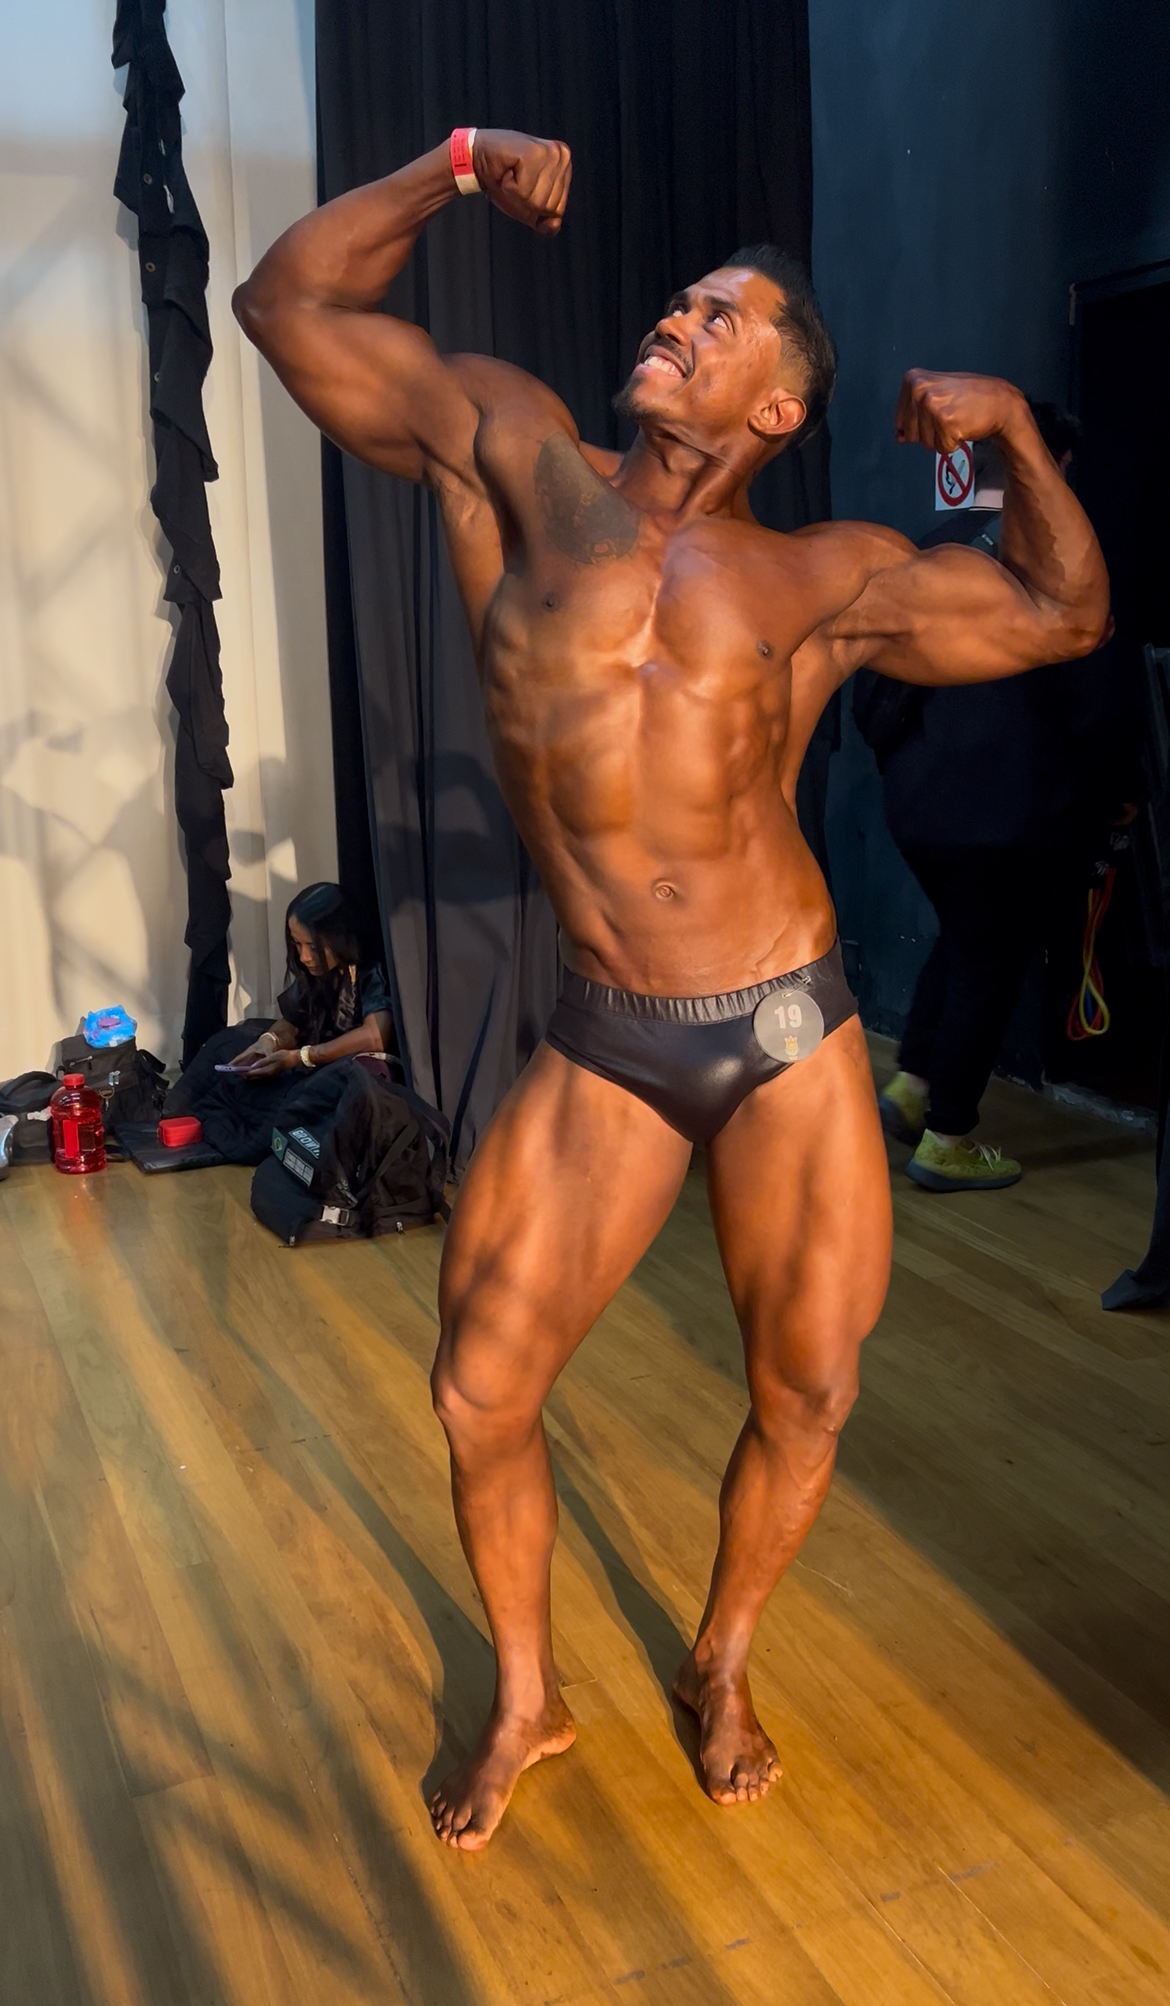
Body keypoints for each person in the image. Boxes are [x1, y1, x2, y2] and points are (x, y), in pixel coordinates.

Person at [233, 127, 1108, 1850]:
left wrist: (1011, 430)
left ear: (780, 403)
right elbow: (285, 306)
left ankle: (721, 1655)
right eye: (678, 303)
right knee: (481, 1388)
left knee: (810, 1391)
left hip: (785, 1025)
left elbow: (1065, 612)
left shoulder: (825, 575)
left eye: (722, 318)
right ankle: (528, 1695)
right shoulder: (513, 454)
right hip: (611, 1033)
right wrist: (452, 166)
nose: (677, 320)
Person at [875, 405, 1126, 1191]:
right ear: (1054, 465)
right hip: (1005, 817)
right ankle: (947, 1138)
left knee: (966, 938)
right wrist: (1117, 794)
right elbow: (1093, 708)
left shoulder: (927, 551)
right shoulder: (1062, 567)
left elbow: (874, 698)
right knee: (990, 964)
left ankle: (913, 1083)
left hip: (919, 807)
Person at [165, 881, 394, 1160]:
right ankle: (179, 1115)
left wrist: (300, 1057)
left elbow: (375, 1035)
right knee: (227, 1043)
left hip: (337, 1070)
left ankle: (220, 1128)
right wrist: (268, 1043)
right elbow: (293, 1020)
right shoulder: (315, 971)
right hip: (306, 1057)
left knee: (291, 1098)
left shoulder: (372, 970)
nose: (304, 957)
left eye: (313, 946)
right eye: (297, 944)